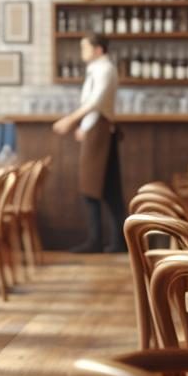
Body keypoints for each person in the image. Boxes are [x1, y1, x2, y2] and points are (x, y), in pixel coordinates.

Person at [52, 33, 127, 253]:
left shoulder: (105, 69)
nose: (81, 51)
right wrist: (84, 127)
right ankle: (117, 241)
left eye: (85, 47)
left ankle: (99, 241)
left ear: (98, 50)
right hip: (97, 129)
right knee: (106, 188)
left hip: (101, 131)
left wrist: (72, 120)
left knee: (92, 187)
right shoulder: (98, 69)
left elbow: (96, 102)